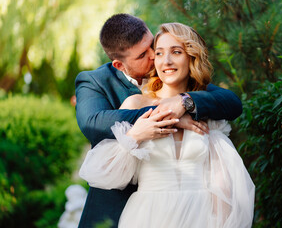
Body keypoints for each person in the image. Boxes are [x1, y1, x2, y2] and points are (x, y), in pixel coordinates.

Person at [79, 22, 255, 228]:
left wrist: (184, 103)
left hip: (200, 215)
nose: (157, 58)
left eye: (154, 48)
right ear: (120, 64)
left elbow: (224, 181)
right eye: (151, 53)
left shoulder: (202, 103)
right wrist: (167, 116)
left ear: (191, 56)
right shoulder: (101, 85)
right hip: (145, 214)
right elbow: (93, 124)